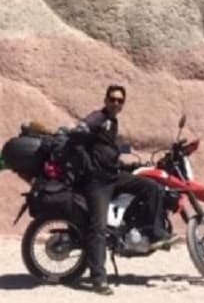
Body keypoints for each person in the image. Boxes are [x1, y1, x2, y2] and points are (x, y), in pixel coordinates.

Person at [71, 85, 172, 295]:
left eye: (120, 100)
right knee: (97, 228)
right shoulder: (98, 117)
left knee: (152, 187)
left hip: (113, 176)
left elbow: (106, 150)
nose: (116, 103)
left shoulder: (112, 122)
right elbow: (77, 135)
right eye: (113, 99)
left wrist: (126, 165)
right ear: (106, 99)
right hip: (97, 182)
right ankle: (98, 279)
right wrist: (88, 165)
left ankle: (153, 235)